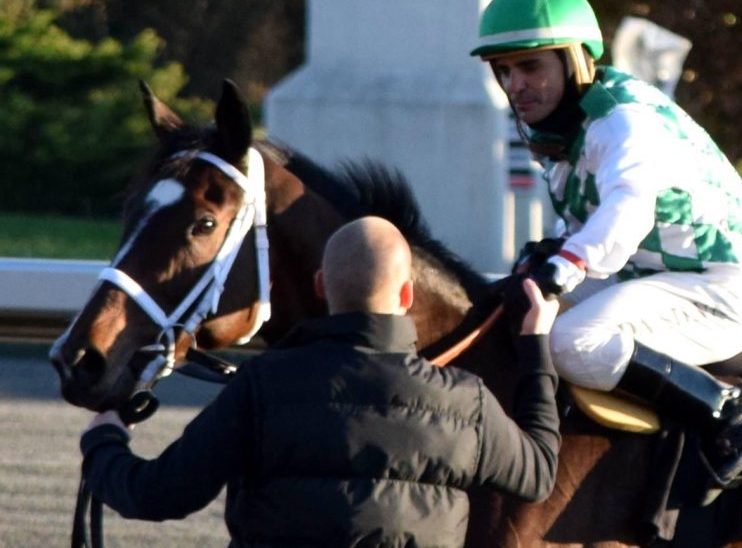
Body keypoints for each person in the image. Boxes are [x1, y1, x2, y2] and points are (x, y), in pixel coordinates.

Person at [79, 215, 561, 547]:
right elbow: (538, 473)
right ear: (408, 293)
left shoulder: (262, 387)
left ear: (321, 287)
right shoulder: (466, 401)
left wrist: (104, 441)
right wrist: (535, 346)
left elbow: (154, 495)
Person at [471, 0, 742, 491]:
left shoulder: (622, 120)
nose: (514, 84)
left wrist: (566, 264)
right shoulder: (573, 129)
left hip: (713, 291)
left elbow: (628, 209)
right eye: (503, 70)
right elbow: (589, 226)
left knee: (571, 341)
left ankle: (730, 415)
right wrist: (554, 252)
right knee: (518, 309)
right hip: (650, 277)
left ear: (575, 61)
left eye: (529, 66)